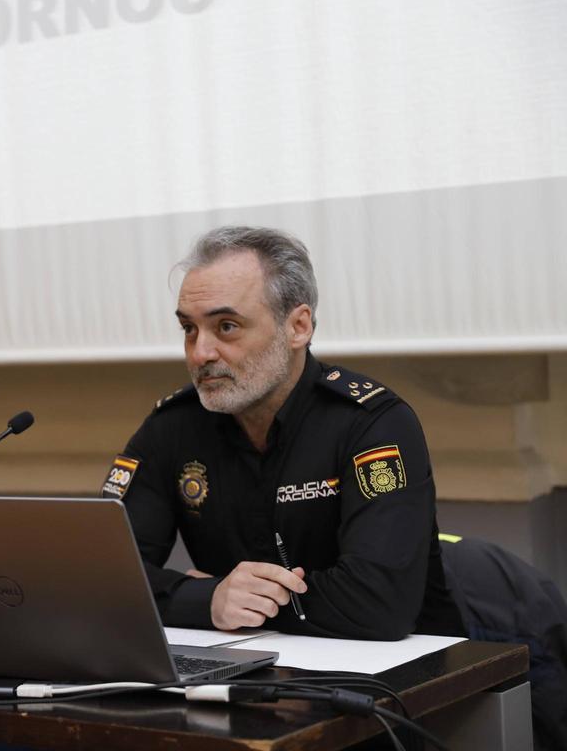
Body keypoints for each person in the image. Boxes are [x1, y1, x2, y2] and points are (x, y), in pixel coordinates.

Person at [103, 226, 463, 640]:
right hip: (249, 672)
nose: (200, 353)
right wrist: (209, 599)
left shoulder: (372, 423)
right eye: (189, 329)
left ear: (298, 327)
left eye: (226, 327)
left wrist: (228, 602)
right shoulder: (173, 426)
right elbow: (100, 576)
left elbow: (379, 604)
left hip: (406, 682)